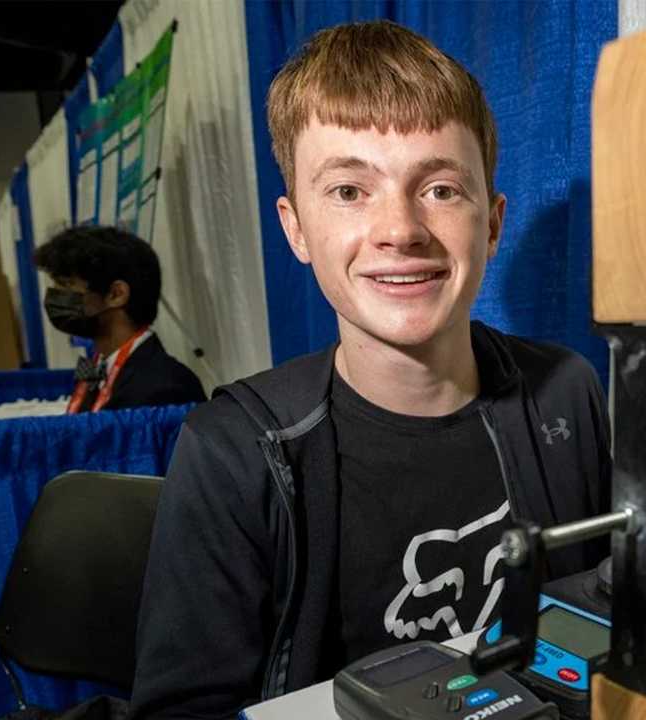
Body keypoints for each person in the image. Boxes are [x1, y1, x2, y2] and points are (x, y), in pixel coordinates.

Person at [129, 20, 611, 718]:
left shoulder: (567, 392)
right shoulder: (232, 451)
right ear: (296, 228)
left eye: (442, 189)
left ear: (494, 222)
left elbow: (601, 615)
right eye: (350, 191)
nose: (401, 229)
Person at [34, 225, 206, 412]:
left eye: (67, 285)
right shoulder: (97, 370)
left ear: (116, 294)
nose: (55, 296)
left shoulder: (166, 388)